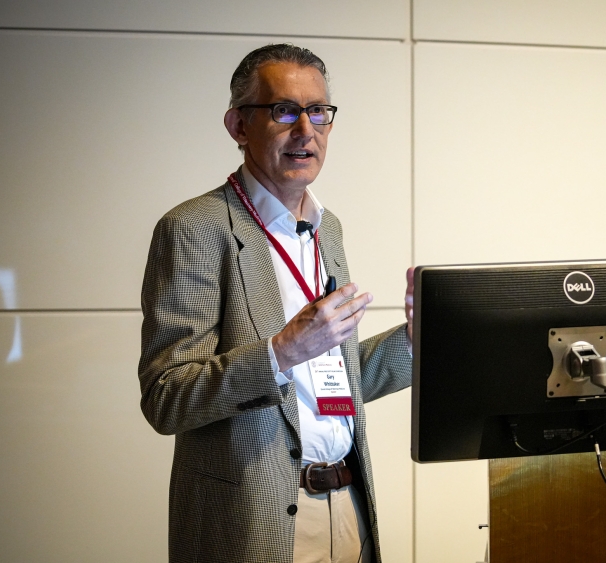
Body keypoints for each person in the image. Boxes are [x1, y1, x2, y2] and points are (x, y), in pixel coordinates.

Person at [138, 43, 413, 563]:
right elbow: (167, 397)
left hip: (347, 506)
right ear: (239, 125)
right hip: (252, 517)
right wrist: (280, 352)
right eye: (283, 110)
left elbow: (334, 382)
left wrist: (414, 342)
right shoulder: (195, 228)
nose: (305, 130)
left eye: (318, 112)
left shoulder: (326, 229)